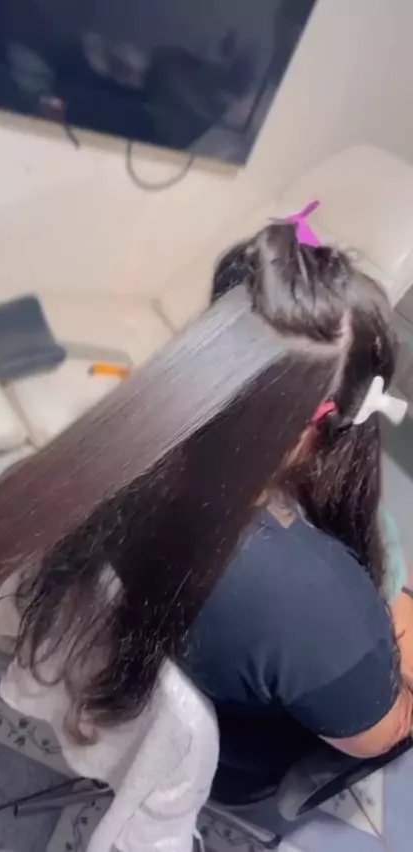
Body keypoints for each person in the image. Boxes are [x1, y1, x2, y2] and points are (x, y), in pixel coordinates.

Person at [181, 222, 413, 799]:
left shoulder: (112, 438)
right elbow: (383, 735)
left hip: (126, 687)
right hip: (228, 756)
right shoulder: (315, 600)